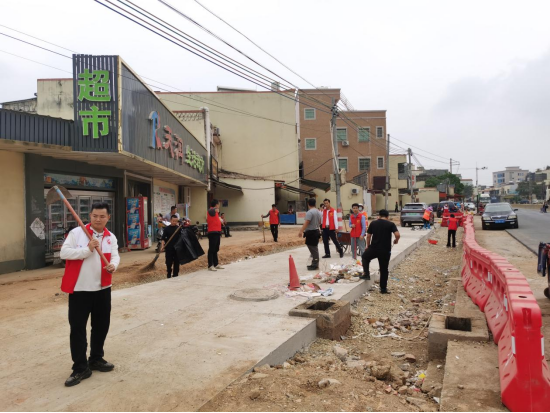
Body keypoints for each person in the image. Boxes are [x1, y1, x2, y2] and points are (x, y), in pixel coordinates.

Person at [60, 202, 120, 387]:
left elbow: (115, 256)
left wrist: (113, 265)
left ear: (108, 218)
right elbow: (64, 253)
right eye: (95, 216)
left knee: (101, 326)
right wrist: (88, 249)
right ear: (90, 216)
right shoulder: (77, 233)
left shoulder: (110, 237)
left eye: (102, 216)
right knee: (78, 329)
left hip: (103, 289)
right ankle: (80, 367)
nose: (98, 219)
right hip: (80, 290)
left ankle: (96, 358)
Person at [361, 209, 401, 294]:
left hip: (374, 248)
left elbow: (368, 236)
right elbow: (397, 235)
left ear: (379, 216)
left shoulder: (373, 223)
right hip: (385, 250)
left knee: (365, 257)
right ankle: (383, 289)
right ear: (387, 216)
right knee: (384, 269)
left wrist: (368, 246)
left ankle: (366, 274)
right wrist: (396, 240)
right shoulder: (391, 224)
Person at [299, 198, 323, 271]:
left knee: (313, 248)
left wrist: (301, 231)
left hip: (311, 232)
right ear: (315, 204)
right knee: (314, 247)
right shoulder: (318, 212)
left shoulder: (309, 212)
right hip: (316, 230)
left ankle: (315, 263)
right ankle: (314, 262)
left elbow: (307, 222)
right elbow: (320, 222)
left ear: (308, 204)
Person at [207, 199, 224, 272]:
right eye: (218, 204)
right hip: (212, 232)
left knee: (216, 249)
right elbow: (211, 210)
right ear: (216, 204)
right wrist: (215, 209)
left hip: (217, 232)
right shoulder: (211, 210)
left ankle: (216, 264)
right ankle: (210, 265)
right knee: (212, 249)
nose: (219, 205)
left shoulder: (216, 213)